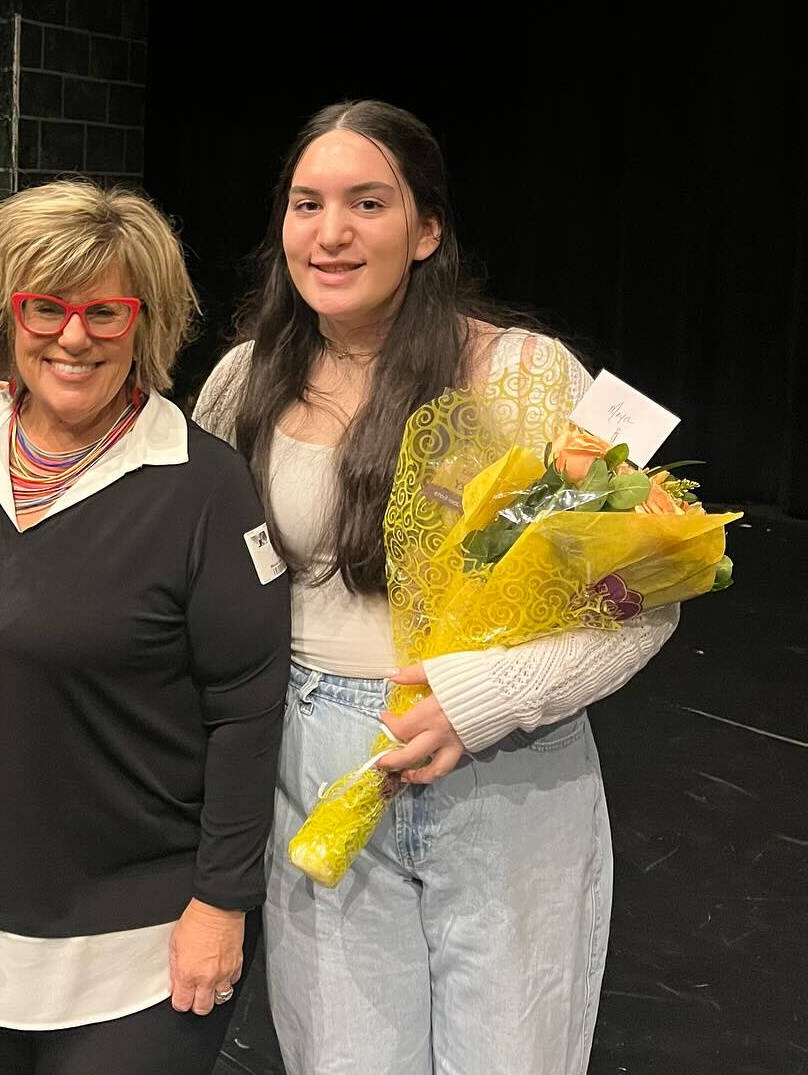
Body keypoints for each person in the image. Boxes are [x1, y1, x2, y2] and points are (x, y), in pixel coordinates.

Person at [192, 100, 679, 1075]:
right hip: (311, 766)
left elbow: (649, 594)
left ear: (426, 230)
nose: (330, 232)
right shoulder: (242, 382)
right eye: (306, 203)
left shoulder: (528, 377)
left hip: (509, 775)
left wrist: (482, 699)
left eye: (366, 203)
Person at [0, 179, 291, 1074]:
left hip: (140, 942)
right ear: (8, 315)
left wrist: (223, 902)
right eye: (47, 307)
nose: (74, 336)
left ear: (146, 323)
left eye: (106, 310)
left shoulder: (202, 485)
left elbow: (247, 709)